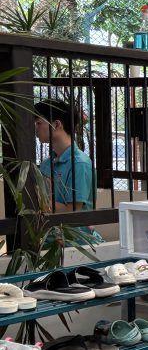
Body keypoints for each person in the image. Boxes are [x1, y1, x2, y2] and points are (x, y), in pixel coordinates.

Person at [33, 98, 103, 244]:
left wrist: (41, 202)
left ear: (56, 124)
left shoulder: (80, 163)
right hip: (49, 241)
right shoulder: (46, 164)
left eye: (39, 123)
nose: (35, 129)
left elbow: (71, 211)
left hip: (76, 244)